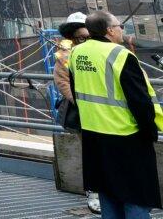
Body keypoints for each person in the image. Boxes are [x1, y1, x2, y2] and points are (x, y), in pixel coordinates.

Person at [68, 11, 163, 219]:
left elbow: (76, 91)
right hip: (126, 137)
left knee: (108, 193)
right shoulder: (120, 55)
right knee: (136, 196)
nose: (122, 29)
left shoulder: (77, 53)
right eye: (120, 26)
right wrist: (150, 133)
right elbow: (140, 101)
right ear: (109, 30)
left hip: (93, 135)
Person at [54, 11, 99, 214]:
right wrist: (80, 102)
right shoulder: (66, 55)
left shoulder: (99, 49)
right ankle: (94, 191)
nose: (84, 39)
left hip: (106, 112)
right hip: (84, 112)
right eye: (80, 36)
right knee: (90, 151)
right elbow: (62, 82)